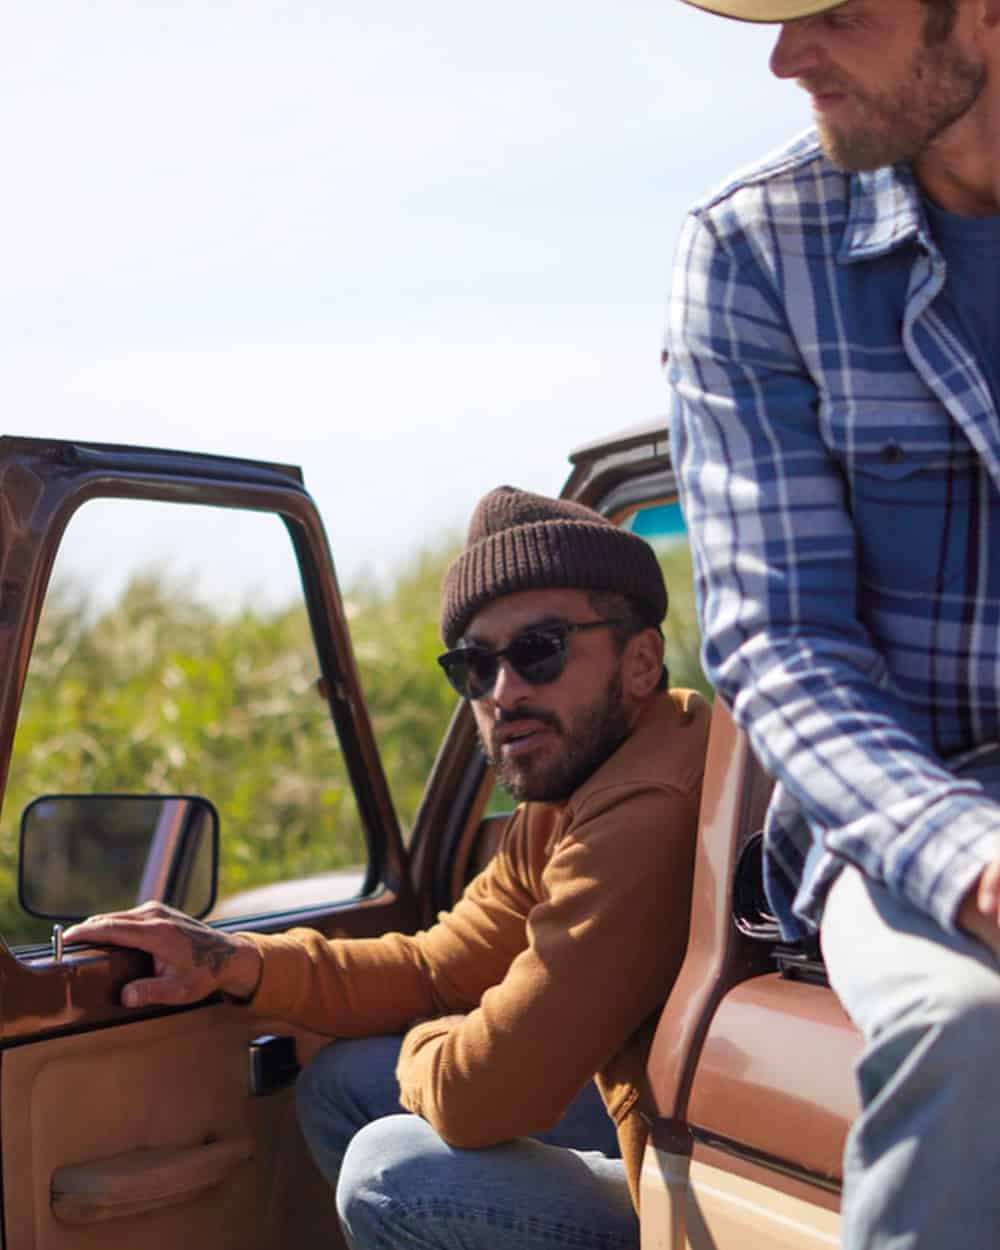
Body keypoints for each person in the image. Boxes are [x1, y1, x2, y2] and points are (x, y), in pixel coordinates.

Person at [65, 484, 709, 1250]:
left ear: (641, 661)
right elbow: (439, 967)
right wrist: (231, 959)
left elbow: (485, 1095)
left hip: (701, 1185)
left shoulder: (650, 802)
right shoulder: (571, 788)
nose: (504, 693)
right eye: (476, 666)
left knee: (389, 1171)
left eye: (540, 649)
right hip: (673, 1124)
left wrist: (424, 1050)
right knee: (341, 1084)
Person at [665, 0, 1000, 1246]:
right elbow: (779, 642)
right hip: (910, 813)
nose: (784, 56)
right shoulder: (754, 249)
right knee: (968, 1028)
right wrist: (974, 862)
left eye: (837, 15)